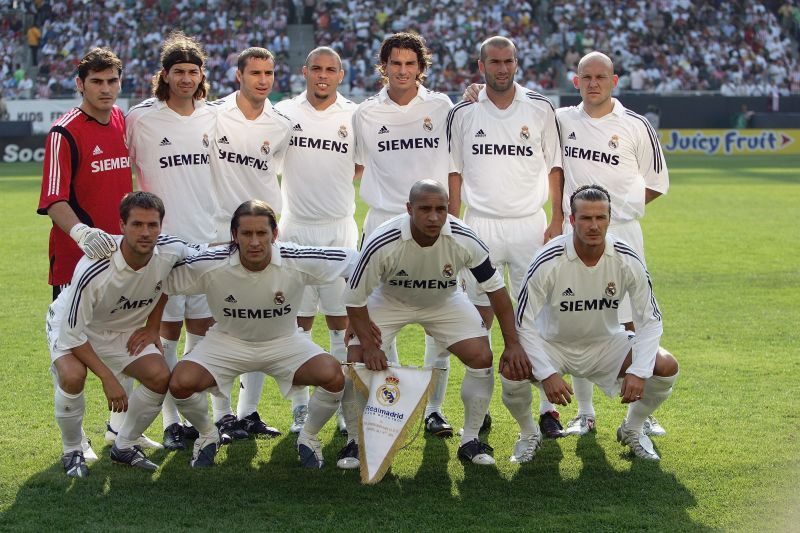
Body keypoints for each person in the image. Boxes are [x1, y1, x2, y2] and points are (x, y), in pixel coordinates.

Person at [339, 180, 529, 469]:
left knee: (482, 356)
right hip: (390, 299)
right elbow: (354, 298)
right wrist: (366, 342)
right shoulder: (383, 240)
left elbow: (498, 294)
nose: (434, 217)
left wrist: (513, 344)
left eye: (441, 209)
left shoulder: (464, 238)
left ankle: (470, 440)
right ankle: (356, 441)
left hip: (445, 300)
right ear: (409, 209)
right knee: (356, 360)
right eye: (425, 209)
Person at [165, 200, 358, 468]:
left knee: (334, 376)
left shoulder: (295, 258)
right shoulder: (210, 263)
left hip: (284, 341)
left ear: (274, 234)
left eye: (261, 233)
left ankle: (309, 437)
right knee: (180, 383)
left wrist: (360, 319)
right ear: (234, 236)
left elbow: (354, 262)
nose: (254, 242)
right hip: (228, 342)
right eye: (246, 234)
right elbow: (159, 277)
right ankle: (208, 434)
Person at [36, 48, 160, 458]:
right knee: (72, 365)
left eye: (112, 81)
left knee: (122, 343)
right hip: (76, 265)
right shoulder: (65, 132)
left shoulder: (121, 121)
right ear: (80, 84)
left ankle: (118, 430)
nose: (105, 90)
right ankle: (74, 442)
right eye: (96, 82)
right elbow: (54, 200)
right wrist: (82, 232)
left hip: (122, 263)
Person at [507, 185, 679, 462]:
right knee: (511, 368)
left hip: (606, 345)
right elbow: (522, 322)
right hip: (554, 345)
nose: (594, 225)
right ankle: (528, 434)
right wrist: (546, 372)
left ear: (610, 219)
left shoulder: (626, 258)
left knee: (665, 366)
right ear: (572, 220)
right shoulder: (548, 259)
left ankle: (633, 428)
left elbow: (651, 320)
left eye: (601, 218)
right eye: (586, 218)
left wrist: (639, 369)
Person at [448, 36, 562, 437]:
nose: (501, 68)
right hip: (479, 226)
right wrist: (452, 222)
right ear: (481, 66)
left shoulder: (541, 107)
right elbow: (454, 172)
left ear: (517, 63)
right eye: (493, 62)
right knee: (477, 322)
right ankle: (477, 419)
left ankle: (549, 411)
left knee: (539, 317)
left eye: (508, 61)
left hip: (529, 223)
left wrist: (558, 217)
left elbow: (555, 167)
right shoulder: (463, 110)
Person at [555, 51, 670, 438]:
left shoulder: (636, 125)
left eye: (600, 76)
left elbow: (656, 182)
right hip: (575, 236)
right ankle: (584, 413)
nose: (593, 83)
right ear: (576, 81)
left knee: (633, 319)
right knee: (577, 318)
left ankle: (640, 413)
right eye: (585, 76)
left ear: (614, 81)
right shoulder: (561, 120)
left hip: (623, 234)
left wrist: (616, 215)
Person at [46, 192, 199, 477]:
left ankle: (124, 445)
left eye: (152, 225)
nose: (145, 232)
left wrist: (153, 326)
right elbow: (73, 333)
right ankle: (72, 450)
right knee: (72, 376)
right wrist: (107, 378)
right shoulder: (95, 268)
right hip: (74, 325)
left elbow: (170, 281)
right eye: (137, 224)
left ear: (161, 226)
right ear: (121, 226)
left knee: (159, 376)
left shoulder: (171, 250)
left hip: (123, 327)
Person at [352, 32, 459, 438]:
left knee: (441, 316)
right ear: (384, 67)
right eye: (394, 64)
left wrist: (454, 218)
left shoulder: (441, 106)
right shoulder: (364, 114)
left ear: (420, 67)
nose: (402, 71)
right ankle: (389, 402)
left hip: (433, 223)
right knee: (378, 319)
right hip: (381, 221)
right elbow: (358, 166)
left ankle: (434, 409)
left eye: (409, 64)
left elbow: (453, 167)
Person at [125, 31, 217, 451]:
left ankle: (212, 416)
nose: (185, 79)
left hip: (207, 241)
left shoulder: (214, 117)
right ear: (164, 75)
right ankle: (169, 419)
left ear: (202, 76)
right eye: (177, 71)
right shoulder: (140, 118)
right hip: (158, 245)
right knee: (164, 330)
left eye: (192, 71)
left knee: (205, 329)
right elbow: (118, 172)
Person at [205, 46, 292, 441]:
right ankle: (219, 415)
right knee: (214, 325)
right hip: (219, 232)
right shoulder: (213, 114)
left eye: (269, 73)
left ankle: (249, 412)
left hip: (263, 236)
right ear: (238, 75)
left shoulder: (282, 123)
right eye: (255, 72)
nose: (263, 80)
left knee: (260, 322)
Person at [274, 46, 358, 435]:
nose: (323, 75)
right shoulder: (286, 113)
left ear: (341, 75)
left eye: (331, 70)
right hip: (295, 229)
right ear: (304, 71)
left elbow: (361, 164)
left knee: (342, 324)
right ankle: (301, 407)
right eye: (316, 69)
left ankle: (341, 403)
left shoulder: (355, 115)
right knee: (298, 325)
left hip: (339, 230)